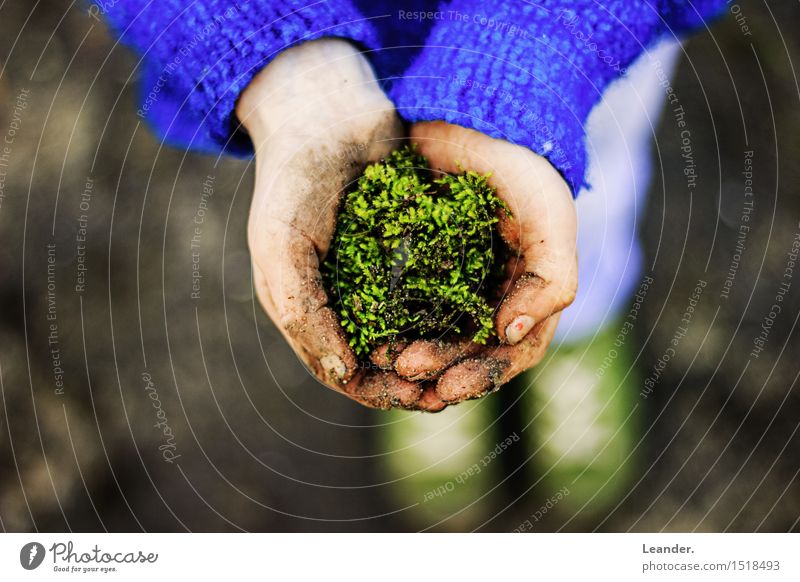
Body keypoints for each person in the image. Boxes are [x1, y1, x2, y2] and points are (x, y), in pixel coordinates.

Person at [101, 1, 726, 411]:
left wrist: (529, 46)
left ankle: (583, 324)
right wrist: (278, 61)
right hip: (328, 30)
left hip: (573, 44)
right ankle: (438, 385)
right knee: (533, 219)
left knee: (582, 189)